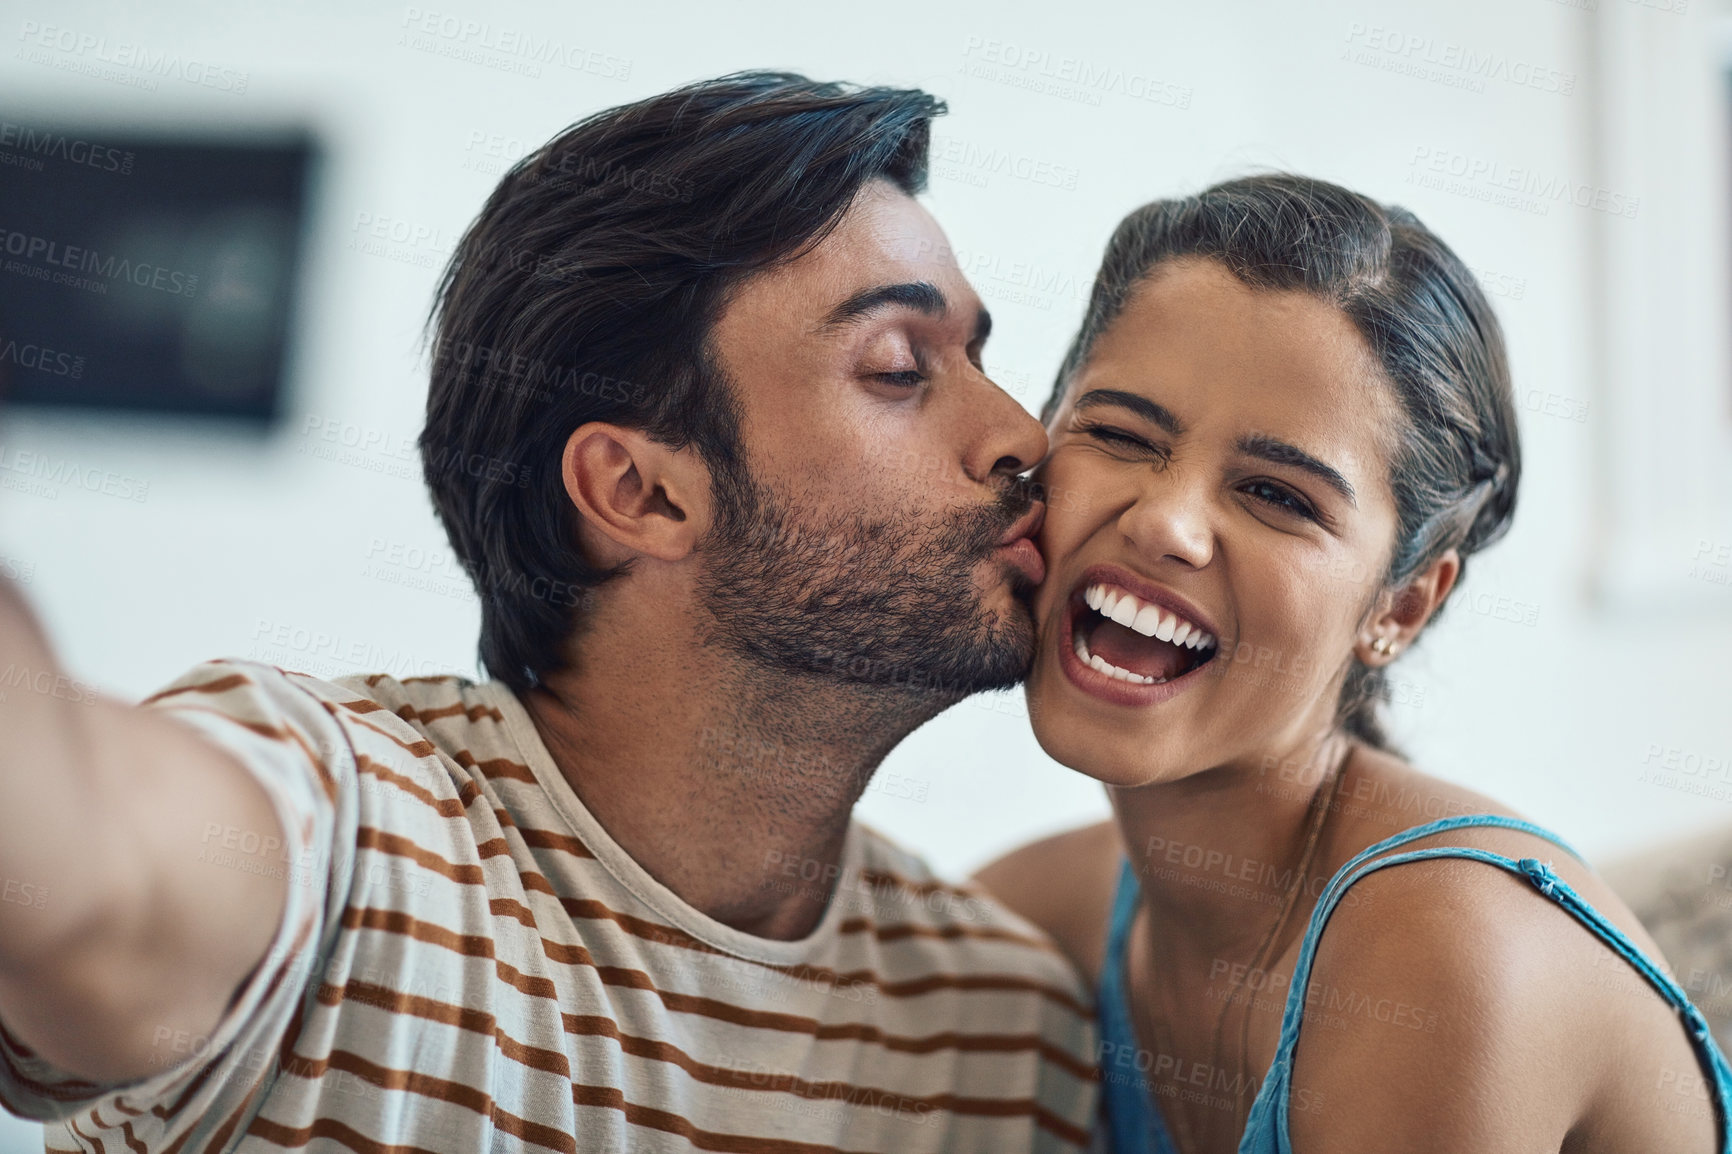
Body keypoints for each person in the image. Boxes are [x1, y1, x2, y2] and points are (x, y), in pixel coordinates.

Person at [0, 73, 1098, 1153]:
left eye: (981, 357)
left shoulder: (1007, 1034)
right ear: (640, 492)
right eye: (899, 366)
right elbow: (81, 873)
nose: (1019, 431)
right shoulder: (341, 833)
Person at [976, 174, 1732, 1153]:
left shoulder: (1445, 953)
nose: (1164, 520)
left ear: (1399, 604)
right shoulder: (1049, 918)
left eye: (1276, 493)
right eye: (1118, 434)